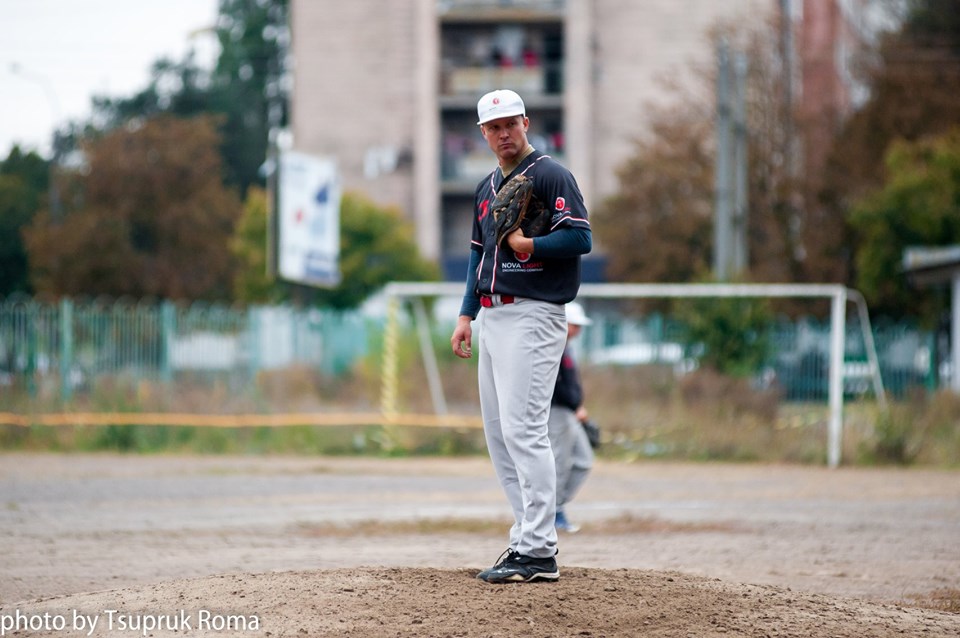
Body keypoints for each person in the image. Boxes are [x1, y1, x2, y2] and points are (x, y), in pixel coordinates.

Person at [450, 88, 592, 584]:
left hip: (534, 312)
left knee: (524, 430)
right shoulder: (486, 186)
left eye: (511, 123)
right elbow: (477, 255)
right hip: (493, 315)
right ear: (482, 133)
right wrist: (466, 313)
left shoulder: (552, 173)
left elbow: (580, 237)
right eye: (493, 127)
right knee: (499, 435)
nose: (503, 133)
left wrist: (531, 244)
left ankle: (538, 549)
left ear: (527, 123)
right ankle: (525, 539)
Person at [549, 302, 595, 534]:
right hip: (557, 411)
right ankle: (552, 513)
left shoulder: (567, 347)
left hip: (570, 412)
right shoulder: (553, 346)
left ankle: (553, 507)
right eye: (575, 325)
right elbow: (553, 386)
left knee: (583, 461)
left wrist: (578, 406)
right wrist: (572, 404)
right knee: (560, 462)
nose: (578, 330)